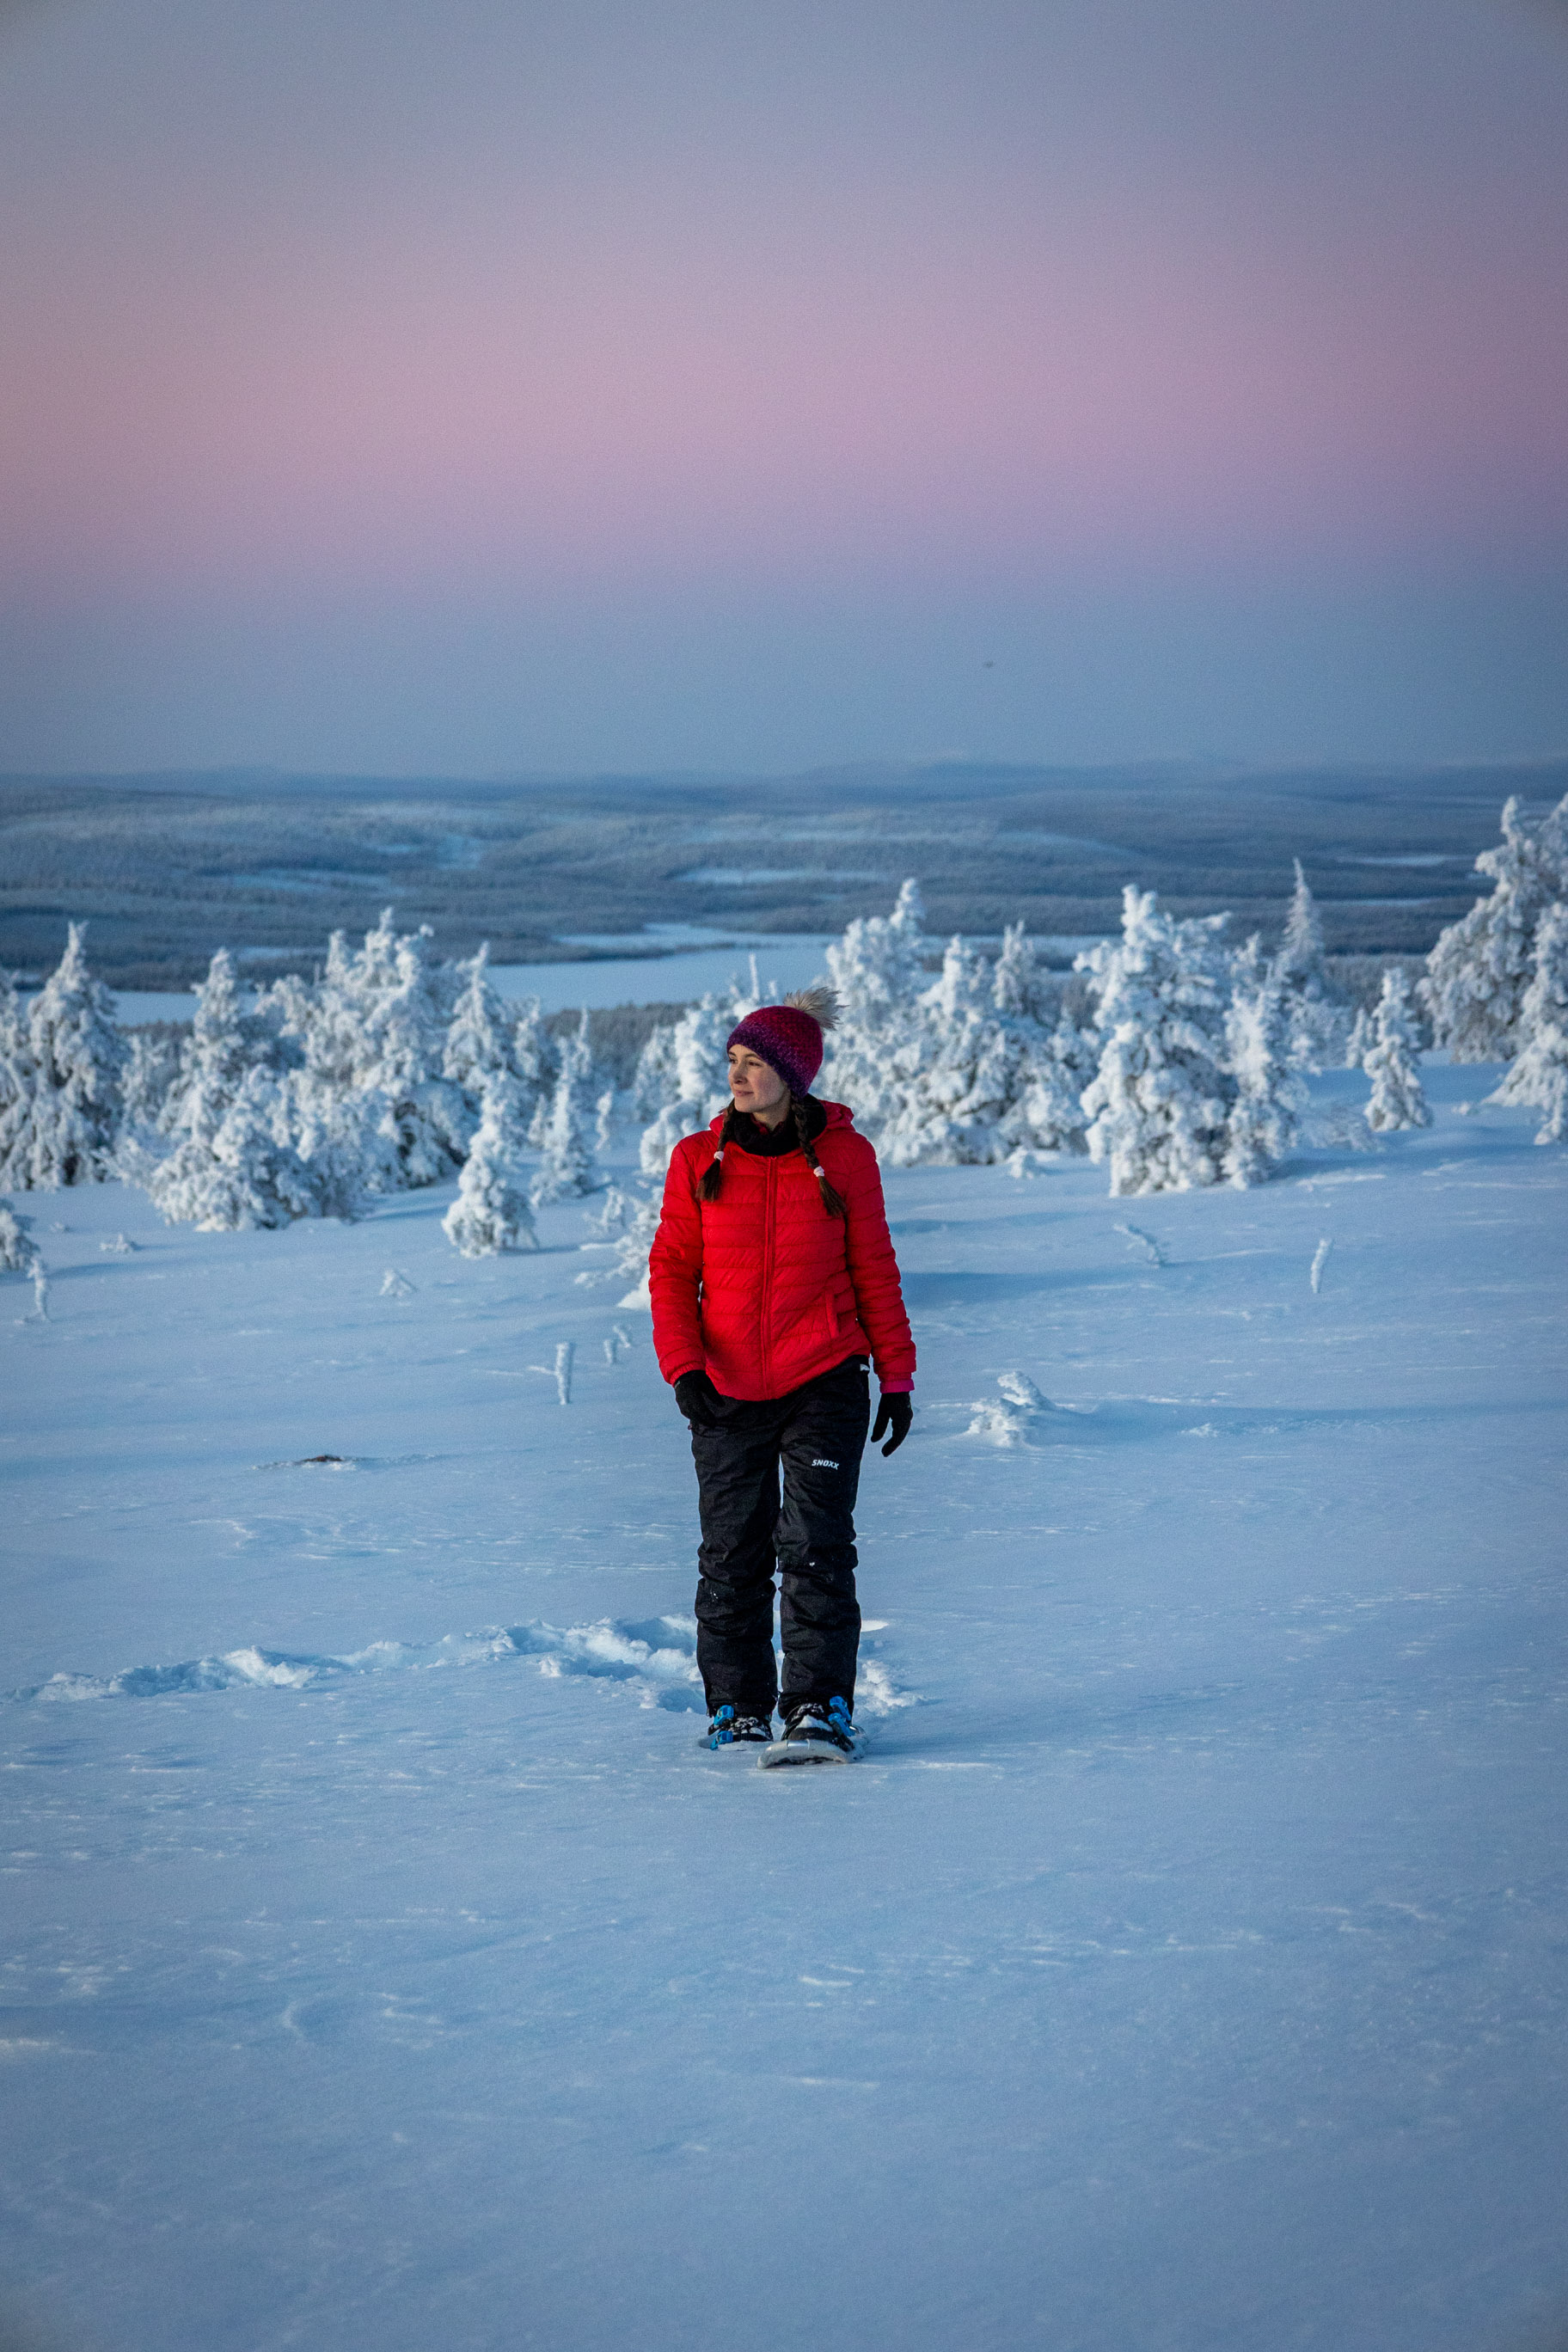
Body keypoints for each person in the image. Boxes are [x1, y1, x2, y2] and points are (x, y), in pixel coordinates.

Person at [648, 988, 916, 1763]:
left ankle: (819, 1708)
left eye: (754, 1061)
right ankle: (737, 1709)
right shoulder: (699, 1159)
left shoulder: (845, 1158)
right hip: (725, 1384)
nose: (737, 1074)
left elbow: (873, 1267)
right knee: (731, 1550)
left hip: (823, 1373)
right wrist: (683, 1367)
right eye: (733, 1058)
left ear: (793, 1075)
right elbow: (670, 1271)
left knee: (816, 1545)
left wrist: (895, 1376)